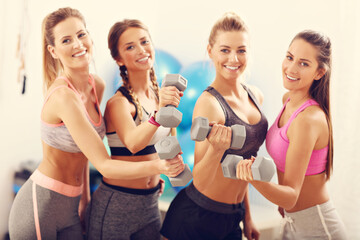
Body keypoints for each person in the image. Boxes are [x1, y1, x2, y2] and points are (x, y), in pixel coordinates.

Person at [8, 8, 184, 240]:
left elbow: (84, 150)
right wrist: (160, 167)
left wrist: (85, 202)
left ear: (90, 38)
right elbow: (104, 164)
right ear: (54, 50)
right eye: (66, 40)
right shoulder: (64, 96)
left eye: (81, 35)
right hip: (42, 203)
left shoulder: (96, 86)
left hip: (71, 205)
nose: (78, 44)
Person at [160, 12, 267, 240]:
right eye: (225, 50)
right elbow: (199, 179)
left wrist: (247, 217)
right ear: (210, 51)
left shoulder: (255, 96)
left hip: (233, 217)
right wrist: (217, 150)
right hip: (196, 217)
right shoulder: (209, 104)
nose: (234, 59)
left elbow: (244, 164)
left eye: (241, 50)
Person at [236, 30, 347, 239]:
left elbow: (291, 197)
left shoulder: (308, 120)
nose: (291, 68)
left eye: (304, 63)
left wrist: (254, 178)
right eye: (289, 57)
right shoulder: (288, 99)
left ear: (319, 72)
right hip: (292, 221)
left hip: (318, 229)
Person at [85, 19, 184, 240]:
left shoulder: (158, 96)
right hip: (117, 204)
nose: (141, 50)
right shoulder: (118, 103)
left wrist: (163, 168)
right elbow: (133, 143)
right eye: (130, 47)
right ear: (119, 58)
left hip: (149, 203)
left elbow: (160, 144)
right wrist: (160, 113)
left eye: (144, 42)